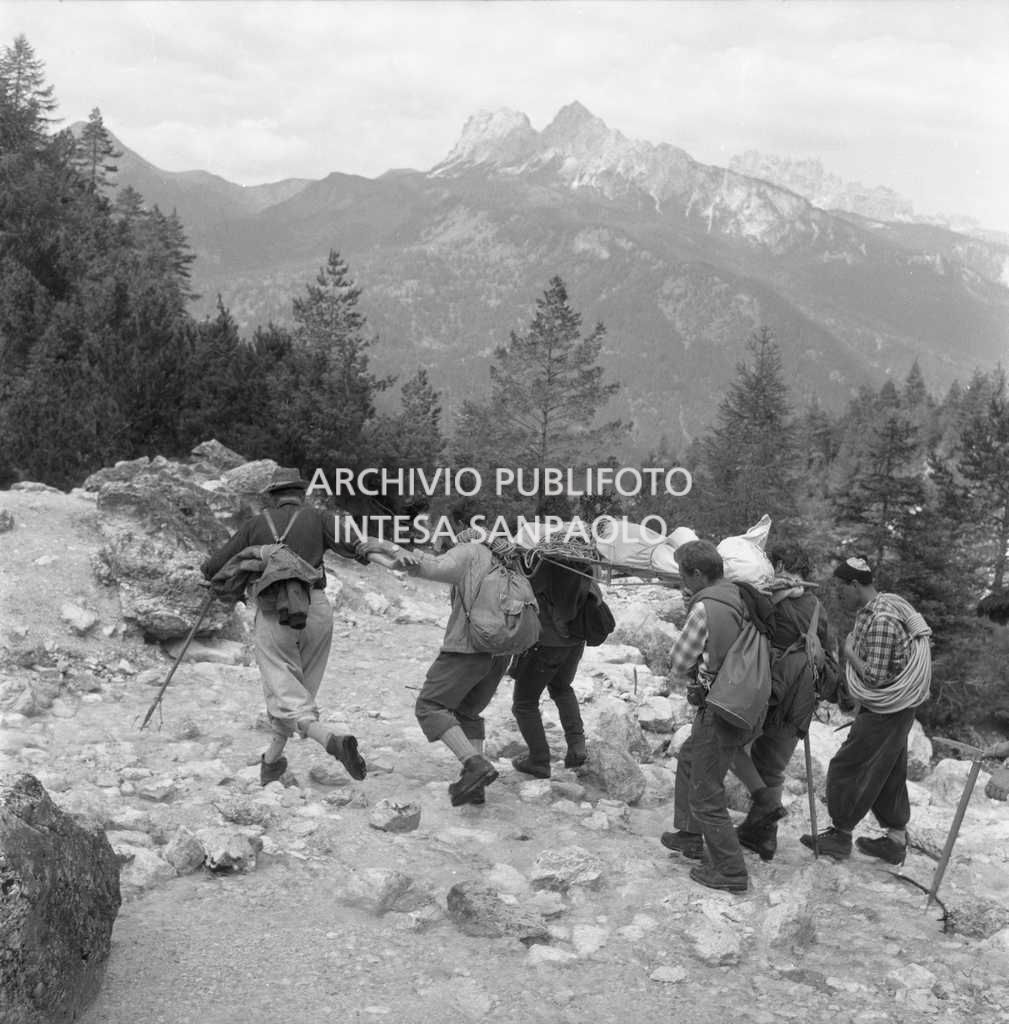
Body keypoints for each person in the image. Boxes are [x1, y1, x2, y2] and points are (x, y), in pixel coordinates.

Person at [201, 467, 371, 786]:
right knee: (296, 693)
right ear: (300, 493)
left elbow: (213, 566)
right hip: (316, 609)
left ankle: (332, 741)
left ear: (273, 496)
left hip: (274, 612)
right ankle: (271, 762)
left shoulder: (255, 525)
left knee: (287, 694)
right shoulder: (319, 518)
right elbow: (357, 547)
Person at [364, 532, 519, 807]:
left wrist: (388, 547)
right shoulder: (505, 559)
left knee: (429, 706)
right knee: (468, 712)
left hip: (468, 649)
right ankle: (476, 787)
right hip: (500, 652)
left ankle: (475, 765)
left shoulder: (471, 552)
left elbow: (431, 567)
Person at [801, 557, 932, 864]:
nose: (839, 595)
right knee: (889, 771)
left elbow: (875, 677)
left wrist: (849, 653)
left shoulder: (882, 620)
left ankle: (840, 834)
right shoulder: (878, 609)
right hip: (896, 709)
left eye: (841, 589)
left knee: (849, 766)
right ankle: (895, 840)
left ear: (855, 585)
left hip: (885, 709)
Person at [659, 539, 759, 894]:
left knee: (706, 792)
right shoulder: (738, 595)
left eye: (684, 575)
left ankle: (730, 871)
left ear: (698, 574)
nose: (682, 582)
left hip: (718, 706)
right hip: (743, 701)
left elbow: (679, 662)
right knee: (690, 757)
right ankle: (689, 834)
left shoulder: (705, 608)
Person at [731, 543, 839, 861]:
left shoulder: (767, 597)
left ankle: (763, 817)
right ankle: (762, 836)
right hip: (802, 695)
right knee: (773, 766)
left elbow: (749, 625)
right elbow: (826, 648)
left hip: (766, 686)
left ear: (777, 566)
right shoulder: (816, 605)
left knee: (729, 746)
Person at [510, 555, 594, 778]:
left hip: (547, 643)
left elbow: (523, 589)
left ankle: (538, 760)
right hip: (575, 641)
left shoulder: (545, 563)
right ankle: (577, 747)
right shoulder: (584, 563)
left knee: (524, 703)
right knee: (561, 688)